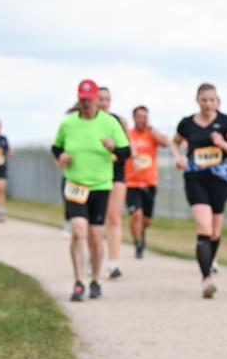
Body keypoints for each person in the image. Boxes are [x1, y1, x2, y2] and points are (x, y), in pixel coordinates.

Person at [52, 79, 130, 301]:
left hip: (100, 185)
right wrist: (61, 158)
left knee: (95, 237)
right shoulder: (68, 124)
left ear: (97, 99)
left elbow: (126, 153)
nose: (87, 103)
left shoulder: (110, 122)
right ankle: (79, 281)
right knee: (78, 230)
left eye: (90, 99)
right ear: (79, 99)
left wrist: (113, 147)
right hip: (75, 185)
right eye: (83, 99)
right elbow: (56, 148)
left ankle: (95, 278)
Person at [171, 83, 227, 299]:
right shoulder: (186, 123)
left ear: (217, 100)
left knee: (215, 231)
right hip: (195, 178)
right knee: (204, 226)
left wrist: (222, 143)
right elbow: (174, 143)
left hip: (220, 180)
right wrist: (179, 158)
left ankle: (209, 261)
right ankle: (207, 279)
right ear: (197, 100)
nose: (208, 104)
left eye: (212, 100)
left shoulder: (224, 122)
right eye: (204, 100)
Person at [124, 105, 168, 259]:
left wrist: (152, 130)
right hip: (131, 182)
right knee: (136, 214)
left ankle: (140, 232)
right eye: (139, 116)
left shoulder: (151, 135)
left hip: (149, 182)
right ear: (134, 118)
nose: (142, 119)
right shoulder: (128, 135)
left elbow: (166, 143)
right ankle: (138, 243)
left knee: (146, 220)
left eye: (144, 116)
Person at [96, 86, 131, 278]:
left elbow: (128, 151)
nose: (104, 103)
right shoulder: (86, 122)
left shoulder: (117, 121)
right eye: (100, 99)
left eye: (107, 99)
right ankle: (94, 257)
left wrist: (114, 147)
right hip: (92, 175)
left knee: (114, 217)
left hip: (115, 173)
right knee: (94, 220)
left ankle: (113, 262)